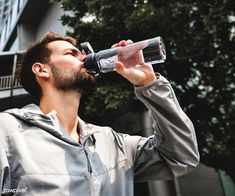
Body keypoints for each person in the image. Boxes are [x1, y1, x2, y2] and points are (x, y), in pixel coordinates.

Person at [0, 32, 199, 196]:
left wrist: (149, 84)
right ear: (42, 70)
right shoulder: (7, 132)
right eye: (72, 54)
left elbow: (180, 158)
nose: (85, 59)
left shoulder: (112, 143)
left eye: (83, 54)